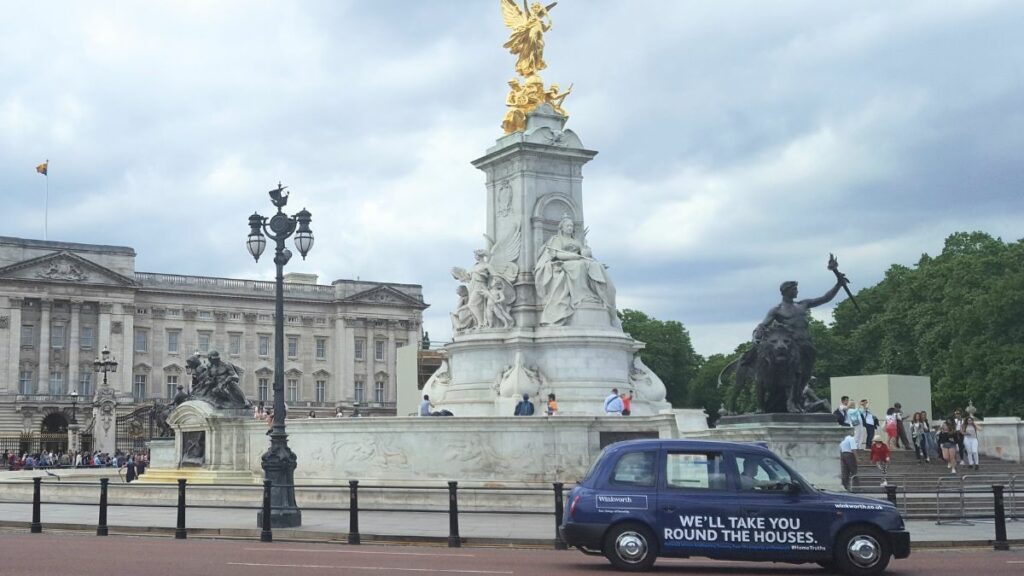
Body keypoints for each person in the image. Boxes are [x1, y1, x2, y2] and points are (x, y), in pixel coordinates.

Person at [752, 266, 847, 410]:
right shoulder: (777, 310)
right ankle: (791, 402)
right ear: (786, 291)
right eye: (794, 289)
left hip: (807, 345)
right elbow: (764, 324)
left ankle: (797, 400)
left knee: (805, 376)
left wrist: (838, 285)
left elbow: (824, 298)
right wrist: (758, 332)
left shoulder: (803, 304)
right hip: (791, 347)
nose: (797, 291)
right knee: (796, 374)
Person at [534, 216, 617, 326]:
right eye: (567, 225)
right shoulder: (557, 240)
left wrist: (586, 252)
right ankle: (581, 296)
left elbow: (583, 253)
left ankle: (598, 295)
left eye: (571, 226)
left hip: (579, 260)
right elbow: (557, 254)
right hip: (564, 262)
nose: (570, 228)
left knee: (596, 266)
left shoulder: (576, 241)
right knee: (577, 266)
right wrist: (573, 256)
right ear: (562, 228)